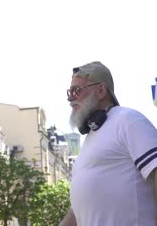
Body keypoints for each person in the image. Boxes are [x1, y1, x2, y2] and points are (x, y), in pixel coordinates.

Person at [60, 61, 157, 226]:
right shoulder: (89, 142)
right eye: (69, 92)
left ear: (101, 90)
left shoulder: (127, 120)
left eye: (76, 90)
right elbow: (80, 210)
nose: (70, 98)